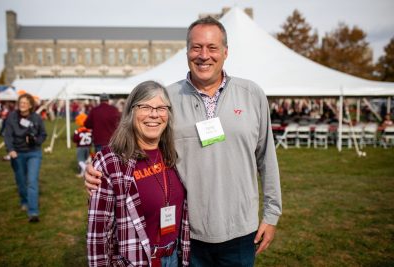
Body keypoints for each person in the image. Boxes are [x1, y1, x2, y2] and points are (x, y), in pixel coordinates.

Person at [86, 16, 282, 266]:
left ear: (225, 52)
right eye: (196, 47)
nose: (204, 55)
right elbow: (136, 142)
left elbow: (267, 158)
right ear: (187, 51)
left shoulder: (252, 94)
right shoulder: (167, 99)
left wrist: (272, 214)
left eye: (212, 48)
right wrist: (98, 172)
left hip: (241, 231)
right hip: (187, 234)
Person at [87, 81, 190, 267]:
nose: (154, 114)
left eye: (161, 108)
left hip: (174, 256)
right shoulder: (111, 161)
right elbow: (98, 234)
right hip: (136, 261)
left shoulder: (173, 155)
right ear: (131, 112)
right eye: (145, 107)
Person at [4, 93, 47, 222]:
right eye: (20, 102)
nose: (22, 104)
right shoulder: (12, 117)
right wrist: (11, 150)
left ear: (30, 105)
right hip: (18, 153)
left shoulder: (36, 118)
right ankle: (24, 200)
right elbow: (8, 136)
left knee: (32, 181)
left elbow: (43, 134)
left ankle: (33, 212)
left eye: (25, 102)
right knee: (21, 181)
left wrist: (36, 141)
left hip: (34, 153)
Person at [72, 112, 92, 177]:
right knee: (86, 160)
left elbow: (75, 139)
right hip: (88, 147)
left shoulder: (78, 130)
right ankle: (82, 173)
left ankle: (85, 170)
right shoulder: (89, 130)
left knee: (80, 161)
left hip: (80, 147)